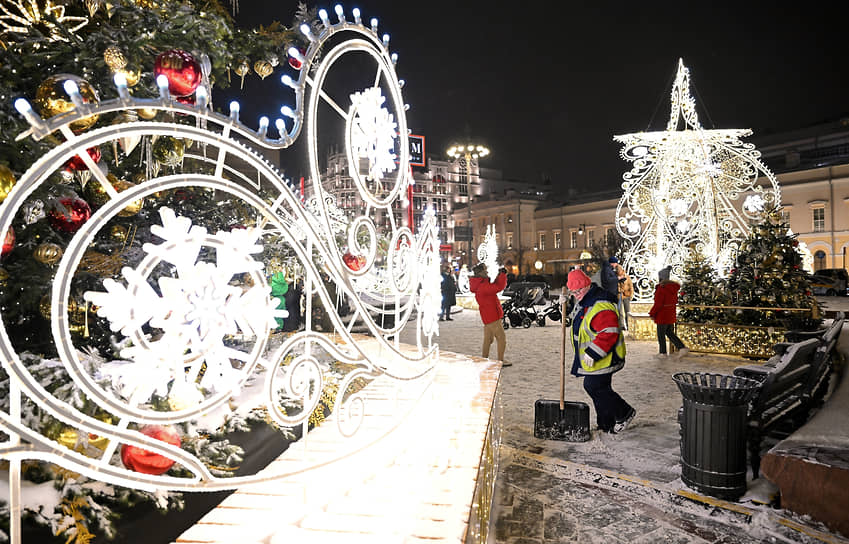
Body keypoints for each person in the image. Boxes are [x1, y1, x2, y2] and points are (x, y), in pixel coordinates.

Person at [566, 268, 635, 434]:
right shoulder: (587, 300)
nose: (576, 295)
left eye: (579, 291)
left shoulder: (600, 305)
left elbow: (609, 332)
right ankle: (606, 423)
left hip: (606, 357)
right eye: (573, 292)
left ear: (587, 286)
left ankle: (624, 412)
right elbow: (578, 315)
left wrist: (593, 352)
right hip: (598, 358)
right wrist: (565, 304)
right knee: (599, 388)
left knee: (594, 386)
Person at [469, 262, 509, 367]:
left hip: (487, 316)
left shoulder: (480, 285)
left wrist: (498, 276)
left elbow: (494, 286)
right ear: (481, 273)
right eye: (485, 271)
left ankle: (484, 358)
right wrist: (503, 275)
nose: (487, 272)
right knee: (501, 338)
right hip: (492, 316)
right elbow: (498, 287)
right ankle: (500, 360)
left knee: (488, 339)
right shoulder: (483, 286)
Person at [649, 266, 689, 358]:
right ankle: (681, 347)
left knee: (661, 334)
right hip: (670, 313)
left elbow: (658, 304)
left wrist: (652, 313)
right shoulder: (673, 288)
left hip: (662, 315)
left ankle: (663, 352)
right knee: (669, 332)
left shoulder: (661, 288)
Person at [611, 258, 634, 331]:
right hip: (619, 296)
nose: (619, 272)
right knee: (620, 312)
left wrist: (631, 295)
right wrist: (619, 289)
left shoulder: (627, 277)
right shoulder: (616, 277)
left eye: (620, 271)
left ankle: (628, 325)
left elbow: (631, 286)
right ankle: (622, 325)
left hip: (626, 295)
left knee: (628, 311)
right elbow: (615, 286)